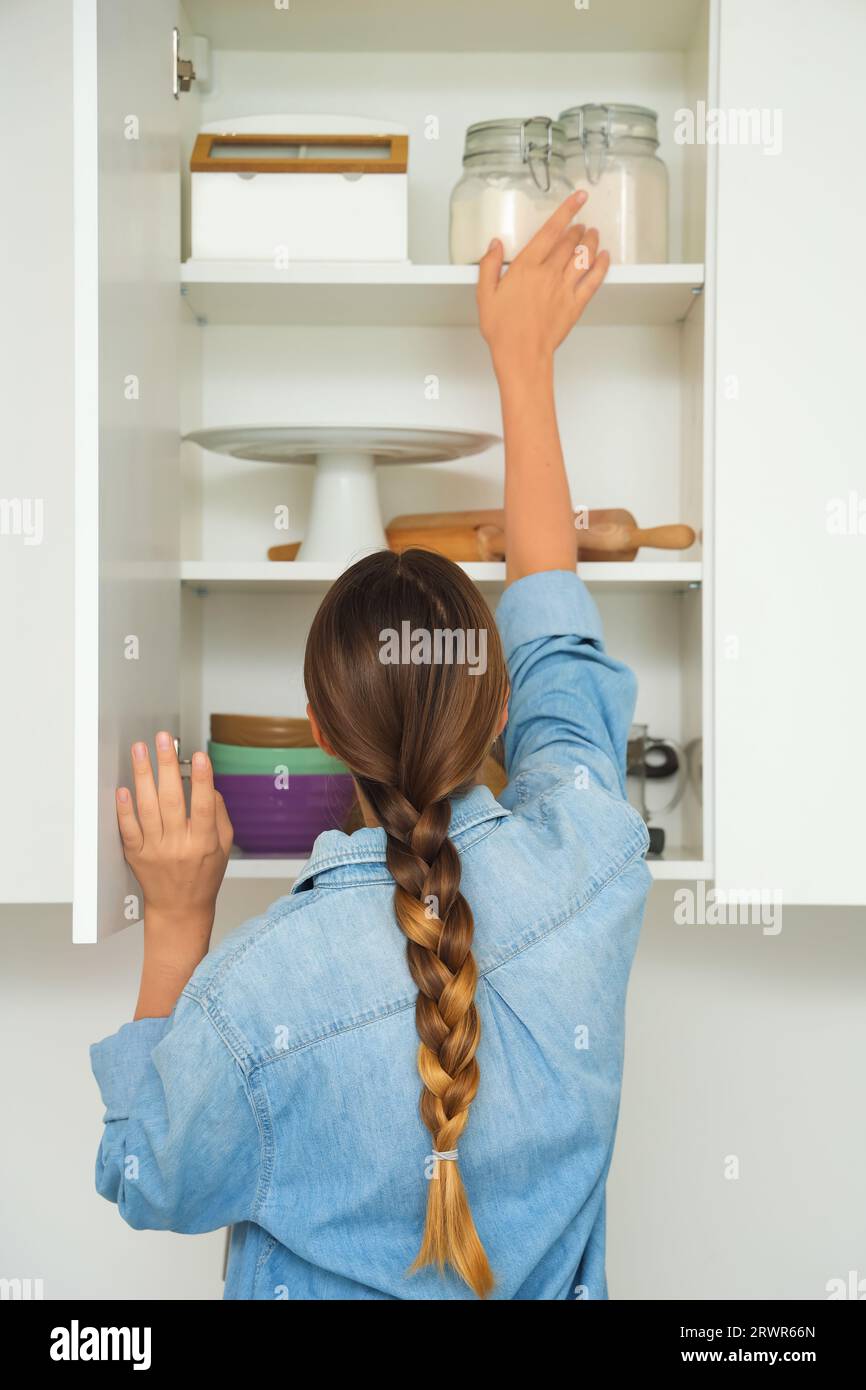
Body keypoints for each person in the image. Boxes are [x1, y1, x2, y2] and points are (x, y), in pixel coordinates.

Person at [92, 192, 651, 1300]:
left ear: (317, 728)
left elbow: (150, 1171)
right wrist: (523, 365)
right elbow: (562, 655)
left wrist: (175, 922)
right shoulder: (592, 864)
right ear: (495, 714)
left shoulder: (252, 996)